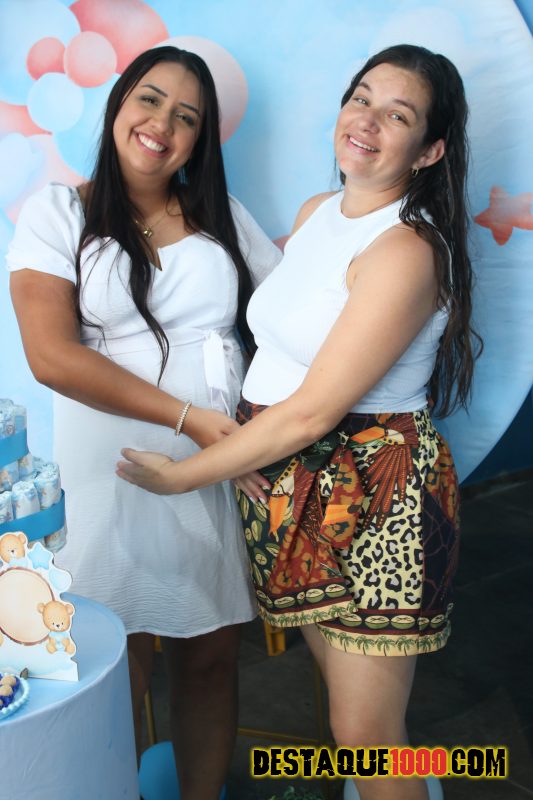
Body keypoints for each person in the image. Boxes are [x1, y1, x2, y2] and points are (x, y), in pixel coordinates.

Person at [116, 44, 481, 800]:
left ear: (430, 151)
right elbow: (281, 353)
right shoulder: (319, 213)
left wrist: (183, 476)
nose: (367, 122)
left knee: (366, 735)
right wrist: (240, 440)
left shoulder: (407, 251)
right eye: (361, 98)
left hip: (372, 500)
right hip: (294, 486)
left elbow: (315, 408)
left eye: (398, 116)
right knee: (351, 719)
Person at [7, 46, 281, 800]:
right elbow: (52, 357)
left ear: (200, 140)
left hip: (216, 462)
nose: (162, 124)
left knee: (210, 655)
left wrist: (259, 428)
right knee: (112, 660)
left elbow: (286, 318)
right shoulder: (58, 212)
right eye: (150, 100)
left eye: (187, 116)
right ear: (119, 104)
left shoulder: (223, 217)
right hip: (110, 466)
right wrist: (189, 419)